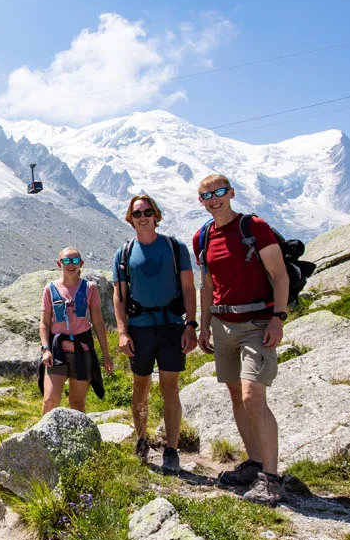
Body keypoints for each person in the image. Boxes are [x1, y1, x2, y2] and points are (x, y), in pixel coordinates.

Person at [192, 174, 290, 504]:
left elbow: (279, 274)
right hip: (223, 323)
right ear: (201, 200)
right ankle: (255, 463)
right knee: (236, 393)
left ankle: (272, 479)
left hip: (256, 323)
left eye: (219, 191)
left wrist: (278, 318)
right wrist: (203, 327)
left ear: (231, 193)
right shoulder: (202, 237)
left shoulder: (254, 227)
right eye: (207, 194)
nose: (214, 198)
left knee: (252, 395)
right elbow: (206, 286)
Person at [112, 194, 198, 472]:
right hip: (140, 328)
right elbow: (119, 296)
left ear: (156, 215)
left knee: (169, 387)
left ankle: (171, 449)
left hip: (172, 325)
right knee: (141, 386)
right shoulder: (124, 253)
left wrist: (191, 325)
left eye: (148, 211)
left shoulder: (175, 247)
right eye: (138, 213)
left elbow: (188, 288)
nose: (143, 216)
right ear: (131, 218)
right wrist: (122, 331)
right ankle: (141, 440)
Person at [39, 247, 112, 414]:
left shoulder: (90, 288)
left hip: (82, 351)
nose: (70, 265)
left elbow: (98, 322)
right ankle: (44, 438)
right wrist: (46, 349)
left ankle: (79, 439)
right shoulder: (50, 289)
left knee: (78, 403)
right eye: (66, 261)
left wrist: (106, 354)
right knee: (50, 400)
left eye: (74, 261)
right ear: (59, 264)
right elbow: (44, 323)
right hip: (57, 352)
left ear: (81, 264)